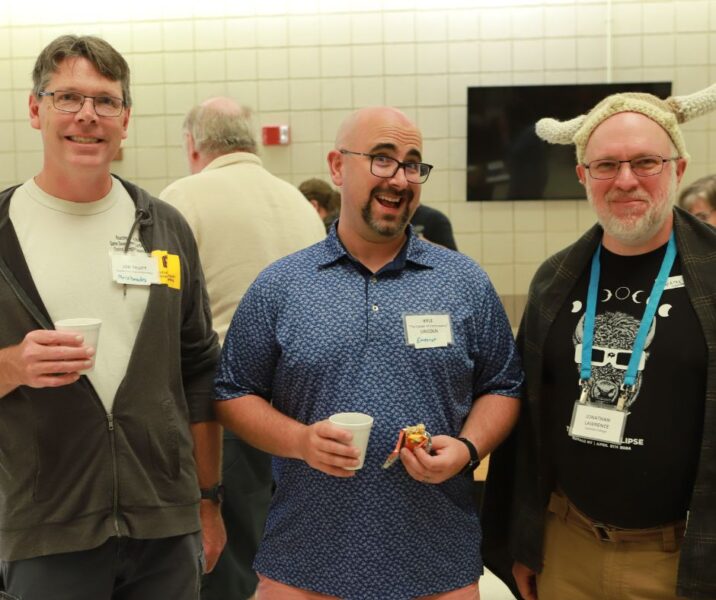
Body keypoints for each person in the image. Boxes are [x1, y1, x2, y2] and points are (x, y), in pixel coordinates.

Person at [213, 106, 523, 600]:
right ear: (337, 167)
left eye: (411, 164)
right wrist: (300, 441)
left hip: (437, 561)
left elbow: (503, 385)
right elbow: (232, 392)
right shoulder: (282, 285)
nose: (399, 178)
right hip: (304, 560)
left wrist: (467, 449)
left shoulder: (462, 282)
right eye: (381, 159)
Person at [0, 35, 225, 600]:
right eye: (66, 98)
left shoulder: (164, 227)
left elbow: (199, 370)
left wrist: (208, 499)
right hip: (47, 528)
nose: (86, 116)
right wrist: (11, 366)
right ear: (34, 110)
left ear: (126, 119)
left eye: (105, 101)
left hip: (166, 527)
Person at [482, 85, 716, 600]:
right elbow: (529, 424)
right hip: (569, 550)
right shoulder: (555, 279)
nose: (625, 180)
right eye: (606, 165)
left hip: (684, 560)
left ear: (678, 168)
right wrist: (526, 541)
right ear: (583, 176)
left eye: (645, 162)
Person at [160, 97, 326, 600]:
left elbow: (160, 310)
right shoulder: (298, 202)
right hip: (303, 402)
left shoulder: (182, 198)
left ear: (193, 145)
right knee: (287, 554)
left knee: (225, 552)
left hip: (223, 403)